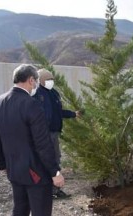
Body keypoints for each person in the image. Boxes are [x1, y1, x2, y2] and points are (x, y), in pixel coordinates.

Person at [0, 64, 65, 216]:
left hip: (14, 169)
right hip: (35, 172)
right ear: (31, 80)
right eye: (36, 81)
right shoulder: (32, 105)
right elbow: (42, 143)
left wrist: (2, 164)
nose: (36, 85)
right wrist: (54, 171)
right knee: (41, 211)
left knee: (20, 209)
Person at [33, 68, 80, 199]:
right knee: (46, 160)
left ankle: (54, 189)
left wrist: (73, 114)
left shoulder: (53, 93)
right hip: (44, 133)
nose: (50, 81)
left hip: (53, 133)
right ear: (41, 81)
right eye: (48, 79)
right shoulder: (37, 94)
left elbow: (58, 112)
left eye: (52, 79)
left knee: (55, 159)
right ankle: (45, 190)